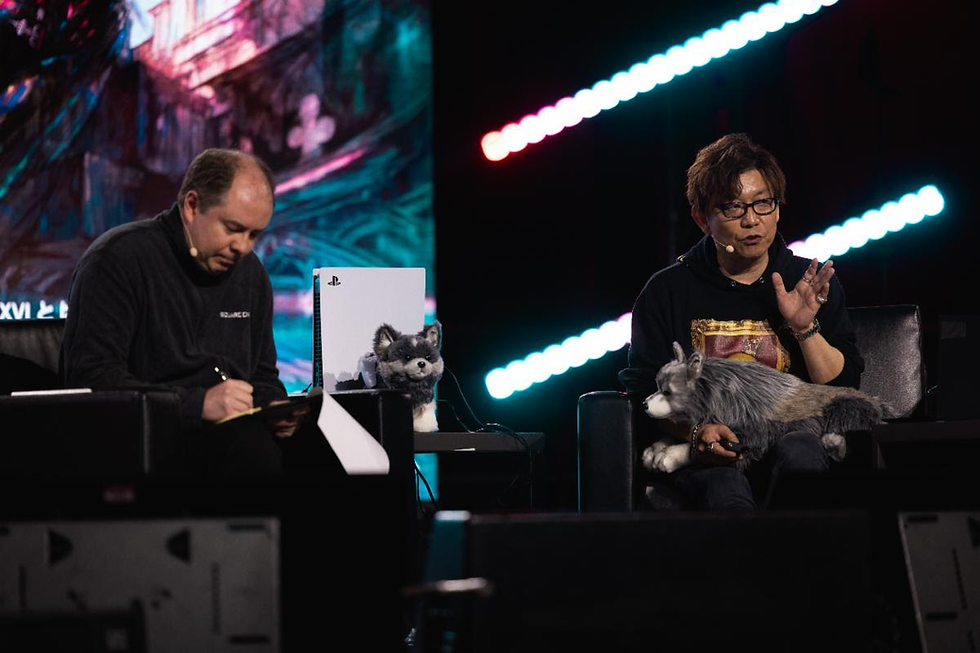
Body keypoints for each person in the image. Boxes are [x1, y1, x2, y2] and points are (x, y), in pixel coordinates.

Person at [619, 133, 864, 509]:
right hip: (707, 454)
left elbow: (842, 389)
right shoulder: (666, 291)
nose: (752, 220)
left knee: (801, 451)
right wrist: (698, 432)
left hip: (790, 440)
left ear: (778, 209)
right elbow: (643, 393)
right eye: (733, 208)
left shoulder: (808, 282)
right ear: (703, 218)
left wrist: (804, 328)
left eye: (763, 204)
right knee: (723, 485)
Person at [61, 148, 306, 474]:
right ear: (192, 206)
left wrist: (275, 406)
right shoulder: (117, 260)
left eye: (254, 235)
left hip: (235, 439)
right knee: (252, 453)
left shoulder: (251, 275)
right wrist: (196, 405)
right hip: (143, 444)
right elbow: (90, 381)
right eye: (233, 228)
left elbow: (261, 375)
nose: (243, 247)